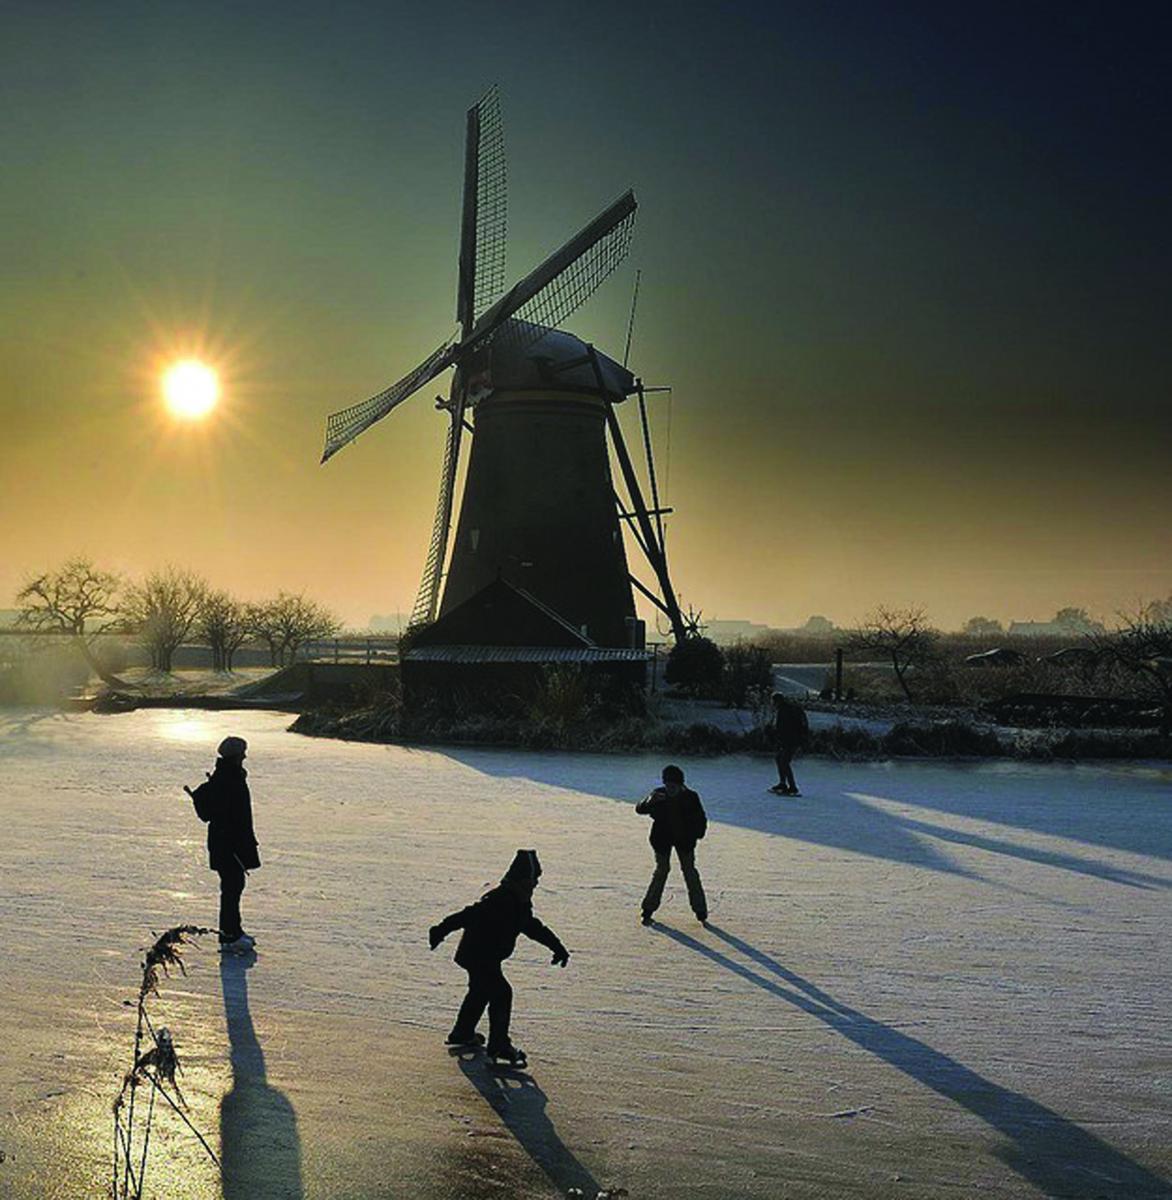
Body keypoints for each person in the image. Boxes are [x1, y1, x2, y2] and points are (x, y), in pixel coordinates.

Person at [429, 850, 569, 1068]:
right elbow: (468, 915)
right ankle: (499, 1044)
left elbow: (532, 927)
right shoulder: (501, 900)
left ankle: (462, 1032)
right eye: (534, 880)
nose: (536, 885)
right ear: (522, 880)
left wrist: (557, 947)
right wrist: (440, 929)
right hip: (479, 955)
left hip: (482, 956)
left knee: (480, 991)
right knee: (501, 992)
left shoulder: (518, 902)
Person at [189, 735, 261, 953]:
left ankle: (233, 931)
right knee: (231, 889)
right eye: (242, 753)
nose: (245, 756)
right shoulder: (227, 780)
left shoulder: (229, 776)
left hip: (230, 845)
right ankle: (229, 936)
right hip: (228, 846)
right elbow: (225, 816)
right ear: (235, 756)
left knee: (234, 888)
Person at [636, 764, 708, 925]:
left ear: (681, 784)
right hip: (662, 840)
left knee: (689, 871)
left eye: (673, 786)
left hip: (685, 840)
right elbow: (639, 809)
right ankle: (648, 908)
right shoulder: (658, 794)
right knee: (662, 870)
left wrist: (697, 834)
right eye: (668, 785)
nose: (670, 789)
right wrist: (650, 801)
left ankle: (700, 910)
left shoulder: (691, 797)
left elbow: (700, 818)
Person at [771, 692, 810, 796]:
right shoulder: (786, 709)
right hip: (790, 740)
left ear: (777, 701)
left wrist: (775, 735)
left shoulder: (784, 711)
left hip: (791, 741)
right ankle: (783, 783)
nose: (772, 704)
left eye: (773, 702)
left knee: (784, 762)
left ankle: (792, 787)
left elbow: (783, 728)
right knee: (779, 759)